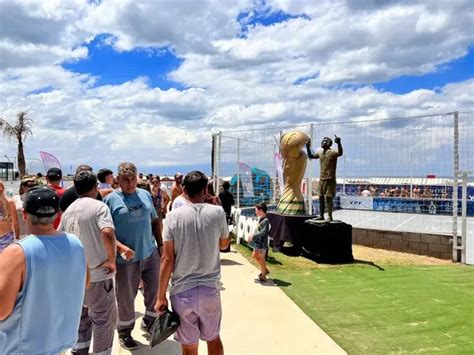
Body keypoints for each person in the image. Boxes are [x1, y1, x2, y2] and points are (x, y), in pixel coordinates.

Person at [0, 186, 87, 353]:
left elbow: (2, 311)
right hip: (61, 341)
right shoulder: (76, 243)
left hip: (24, 347)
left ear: (25, 215)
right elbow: (86, 281)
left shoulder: (17, 252)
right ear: (57, 214)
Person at [155, 171, 231, 355]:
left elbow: (167, 259)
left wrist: (160, 296)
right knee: (213, 339)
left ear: (184, 190)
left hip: (182, 291)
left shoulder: (173, 217)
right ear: (206, 189)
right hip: (210, 288)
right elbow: (224, 244)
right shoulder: (218, 212)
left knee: (189, 346)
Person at [104, 162, 162, 350]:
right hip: (125, 260)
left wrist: (160, 245)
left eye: (133, 179)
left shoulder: (145, 195)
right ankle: (125, 331)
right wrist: (120, 248)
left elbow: (155, 221)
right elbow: (105, 232)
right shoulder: (111, 200)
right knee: (126, 297)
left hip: (149, 253)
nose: (130, 183)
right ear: (118, 180)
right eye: (126, 180)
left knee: (154, 290)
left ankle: (150, 321)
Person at [59, 171, 118, 355]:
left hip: (77, 277)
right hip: (98, 276)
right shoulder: (99, 207)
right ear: (95, 187)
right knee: (103, 320)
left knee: (81, 318)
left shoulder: (68, 211)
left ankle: (80, 350)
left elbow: (60, 237)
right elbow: (107, 232)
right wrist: (111, 259)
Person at [307, 135, 343, 221]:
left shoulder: (332, 152)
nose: (323, 142)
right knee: (321, 197)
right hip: (322, 179)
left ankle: (330, 216)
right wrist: (307, 147)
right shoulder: (320, 153)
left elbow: (340, 153)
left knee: (329, 198)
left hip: (330, 179)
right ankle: (321, 215)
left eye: (325, 141)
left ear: (329, 143)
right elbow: (311, 156)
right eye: (322, 140)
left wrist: (339, 143)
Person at [249, 203, 270, 283]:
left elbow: (264, 232)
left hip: (262, 243)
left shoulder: (266, 220)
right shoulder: (261, 219)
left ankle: (263, 276)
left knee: (261, 258)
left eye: (256, 210)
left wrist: (253, 236)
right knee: (254, 256)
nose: (255, 212)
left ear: (261, 210)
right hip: (258, 243)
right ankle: (265, 270)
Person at [0, 179, 19, 251]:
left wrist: (17, 238)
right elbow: (15, 223)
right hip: (7, 238)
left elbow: (15, 223)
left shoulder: (9, 202)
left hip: (6, 239)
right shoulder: (9, 202)